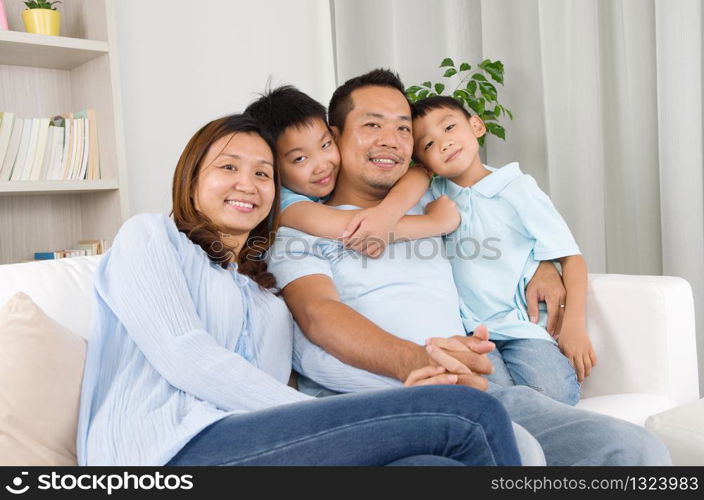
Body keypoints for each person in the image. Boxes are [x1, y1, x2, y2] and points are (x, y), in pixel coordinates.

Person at [267, 69, 671, 465]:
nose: (390, 140)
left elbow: (507, 229)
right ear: (333, 137)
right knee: (511, 456)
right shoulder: (300, 227)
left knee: (636, 449)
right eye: (372, 125)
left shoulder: (437, 201)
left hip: (475, 390)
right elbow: (319, 315)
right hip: (380, 401)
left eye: (404, 128)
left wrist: (543, 266)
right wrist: (419, 359)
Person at [75, 113, 522, 466]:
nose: (247, 184)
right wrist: (307, 415)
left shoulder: (266, 295)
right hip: (164, 453)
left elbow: (313, 362)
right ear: (191, 178)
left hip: (261, 446)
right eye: (228, 167)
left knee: (432, 465)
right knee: (470, 415)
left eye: (263, 174)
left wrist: (418, 381)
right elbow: (185, 355)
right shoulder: (151, 236)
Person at [410, 95, 596, 405]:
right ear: (422, 163)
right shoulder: (432, 197)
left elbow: (571, 258)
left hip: (522, 327)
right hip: (468, 333)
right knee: (487, 398)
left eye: (450, 128)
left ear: (477, 126)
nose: (442, 144)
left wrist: (574, 327)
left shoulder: (516, 187)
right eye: (427, 144)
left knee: (555, 395)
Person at [244, 85, 458, 258]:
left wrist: (387, 213)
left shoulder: (324, 182)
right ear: (272, 166)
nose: (322, 165)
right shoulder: (283, 203)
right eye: (300, 159)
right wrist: (435, 223)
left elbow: (420, 173)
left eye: (325, 145)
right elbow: (355, 229)